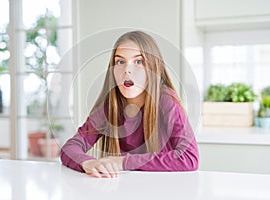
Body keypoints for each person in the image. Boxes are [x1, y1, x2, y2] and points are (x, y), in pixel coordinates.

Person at [61, 30, 199, 178]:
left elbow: (189, 158)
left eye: (138, 62)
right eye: (120, 62)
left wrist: (122, 162)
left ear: (153, 68)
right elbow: (70, 148)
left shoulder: (166, 101)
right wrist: (88, 163)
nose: (127, 70)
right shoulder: (111, 106)